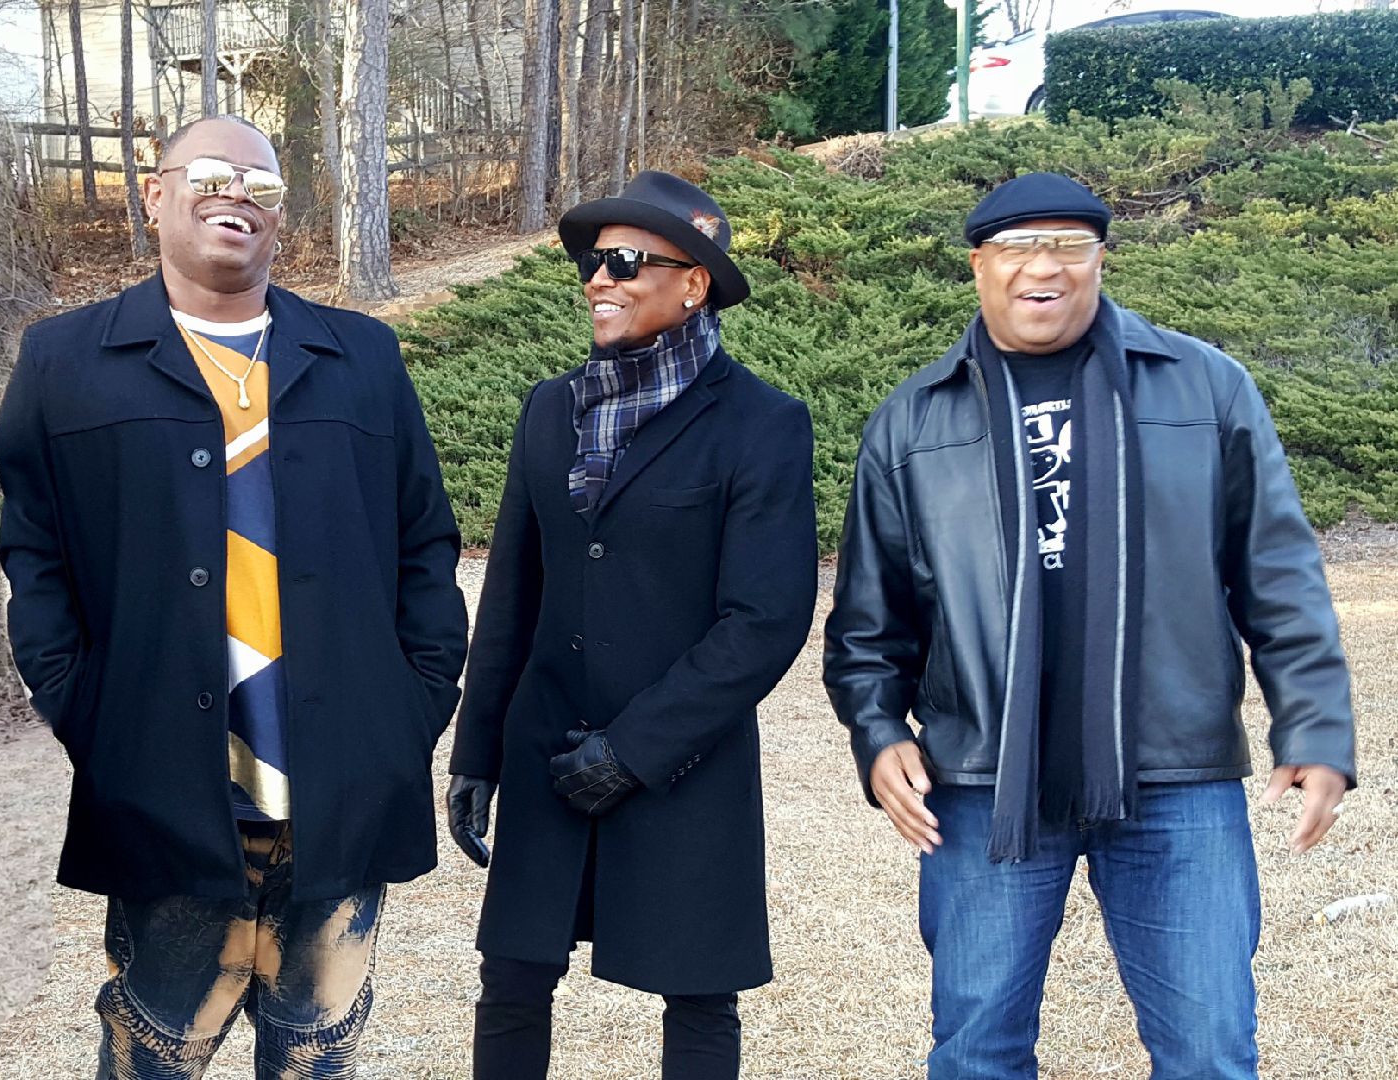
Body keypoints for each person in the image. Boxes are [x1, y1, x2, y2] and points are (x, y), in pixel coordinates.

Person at [823, 172, 1356, 1078]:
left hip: (1174, 773)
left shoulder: (1205, 388)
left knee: (1210, 1052)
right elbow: (869, 622)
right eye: (1017, 247)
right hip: (986, 779)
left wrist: (1314, 727)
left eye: (1069, 245)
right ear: (978, 266)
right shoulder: (913, 420)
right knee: (976, 1052)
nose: (1045, 267)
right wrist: (877, 732)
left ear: (1101, 258)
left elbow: (1278, 576)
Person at [0, 115, 468, 1077]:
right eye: (210, 174)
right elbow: (34, 556)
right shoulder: (65, 361)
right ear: (154, 193)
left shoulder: (362, 357)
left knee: (315, 1057)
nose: (237, 196)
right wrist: (86, 712)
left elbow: (424, 541)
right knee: (153, 1054)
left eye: (261, 184)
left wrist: (413, 705)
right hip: (164, 795)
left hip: (339, 795)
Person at [445, 170, 817, 1079]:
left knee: (700, 993)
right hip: (547, 747)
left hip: (683, 759)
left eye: (624, 261)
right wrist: (477, 752)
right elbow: (513, 595)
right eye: (591, 263)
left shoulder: (762, 423)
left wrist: (634, 751)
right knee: (512, 979)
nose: (598, 280)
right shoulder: (550, 408)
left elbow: (765, 619)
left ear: (693, 283)